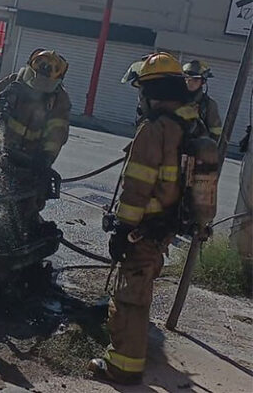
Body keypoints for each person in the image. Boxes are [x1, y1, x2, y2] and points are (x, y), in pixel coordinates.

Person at [89, 52, 200, 385]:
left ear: (152, 93)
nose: (140, 100)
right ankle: (128, 358)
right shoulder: (189, 124)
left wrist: (122, 230)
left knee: (129, 299)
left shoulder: (154, 130)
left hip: (145, 229)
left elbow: (137, 187)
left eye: (142, 92)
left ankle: (123, 367)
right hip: (165, 226)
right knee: (139, 292)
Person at [0, 48, 71, 170]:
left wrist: (46, 158)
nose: (39, 86)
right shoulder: (14, 81)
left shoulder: (59, 100)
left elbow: (56, 134)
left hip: (30, 158)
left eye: (45, 82)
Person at [183, 60, 223, 142]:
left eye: (195, 80)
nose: (189, 82)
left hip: (194, 148)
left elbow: (216, 134)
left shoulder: (209, 105)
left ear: (203, 82)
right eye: (187, 78)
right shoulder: (173, 98)